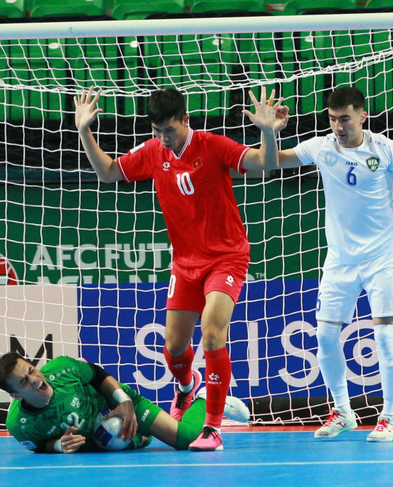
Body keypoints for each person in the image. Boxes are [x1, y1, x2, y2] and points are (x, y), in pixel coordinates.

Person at [74, 87, 287, 451]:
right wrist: (84, 131)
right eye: (157, 131)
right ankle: (187, 388)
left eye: (169, 130)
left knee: (213, 333)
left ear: (186, 121)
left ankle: (213, 428)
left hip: (226, 257)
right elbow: (108, 173)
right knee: (173, 348)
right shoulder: (154, 151)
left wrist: (268, 131)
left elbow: (265, 163)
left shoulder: (213, 145)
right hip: (185, 263)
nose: (163, 138)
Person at [273, 87, 393, 442]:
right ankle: (343, 412)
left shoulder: (385, 149)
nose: (338, 126)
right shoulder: (320, 147)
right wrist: (269, 132)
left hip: (382, 258)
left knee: (383, 333)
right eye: (332, 119)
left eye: (344, 118)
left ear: (362, 116)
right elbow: (272, 161)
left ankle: (389, 418)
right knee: (326, 336)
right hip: (340, 261)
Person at [0, 352, 249, 453]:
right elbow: (37, 446)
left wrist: (124, 402)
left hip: (120, 405)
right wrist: (57, 445)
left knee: (185, 440)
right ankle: (179, 406)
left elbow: (98, 374)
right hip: (99, 439)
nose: (35, 379)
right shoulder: (19, 425)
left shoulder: (61, 370)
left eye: (32, 370)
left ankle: (204, 397)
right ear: (15, 395)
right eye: (24, 383)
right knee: (142, 441)